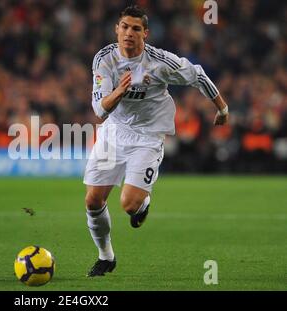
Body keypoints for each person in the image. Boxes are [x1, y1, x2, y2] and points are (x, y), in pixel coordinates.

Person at [83, 5, 229, 277]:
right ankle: (106, 256)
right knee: (92, 200)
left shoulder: (160, 62)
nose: (128, 33)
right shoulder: (103, 60)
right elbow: (100, 110)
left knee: (129, 205)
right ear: (116, 29)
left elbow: (197, 74)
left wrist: (222, 109)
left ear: (145, 33)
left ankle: (143, 203)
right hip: (113, 133)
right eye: (124, 27)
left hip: (147, 137)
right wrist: (119, 90)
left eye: (135, 29)